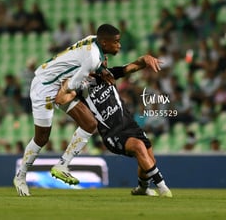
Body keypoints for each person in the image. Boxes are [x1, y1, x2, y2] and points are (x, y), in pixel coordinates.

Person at [13, 24, 121, 196]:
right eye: (115, 42)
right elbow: (72, 85)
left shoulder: (93, 42)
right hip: (45, 86)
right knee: (42, 138)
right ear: (104, 42)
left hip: (59, 82)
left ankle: (62, 165)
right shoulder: (93, 57)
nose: (119, 45)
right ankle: (20, 176)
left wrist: (101, 71)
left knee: (89, 124)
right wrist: (92, 78)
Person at [54, 54, 172, 197]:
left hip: (130, 125)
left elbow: (133, 66)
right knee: (138, 147)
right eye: (101, 59)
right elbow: (60, 99)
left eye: (105, 59)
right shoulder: (79, 85)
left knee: (148, 159)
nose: (105, 61)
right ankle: (163, 188)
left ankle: (142, 188)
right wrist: (68, 84)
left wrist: (145, 59)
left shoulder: (109, 74)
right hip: (112, 133)